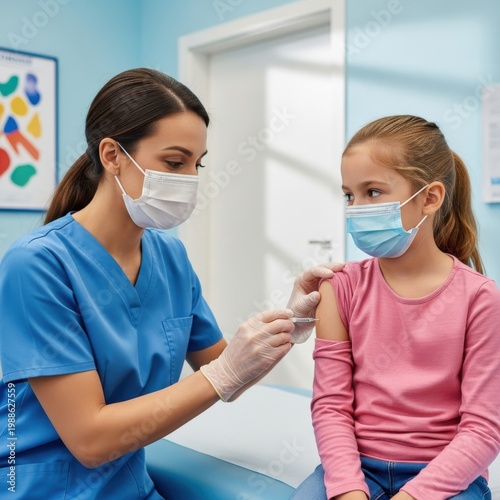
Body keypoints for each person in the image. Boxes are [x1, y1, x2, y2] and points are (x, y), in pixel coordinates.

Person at [0, 68, 338, 499]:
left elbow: (225, 369)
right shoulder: (38, 265)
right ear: (112, 155)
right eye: (174, 163)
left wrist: (290, 325)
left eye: (197, 164)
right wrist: (223, 373)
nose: (191, 179)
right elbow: (90, 440)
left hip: (131, 486)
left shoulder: (169, 258)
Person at [292, 115, 500, 500]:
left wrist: (413, 496)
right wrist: (349, 490)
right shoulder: (339, 287)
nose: (356, 207)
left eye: (373, 192)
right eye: (349, 195)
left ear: (430, 198)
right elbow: (331, 407)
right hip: (357, 466)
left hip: (446, 475)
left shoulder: (480, 298)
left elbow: (484, 430)